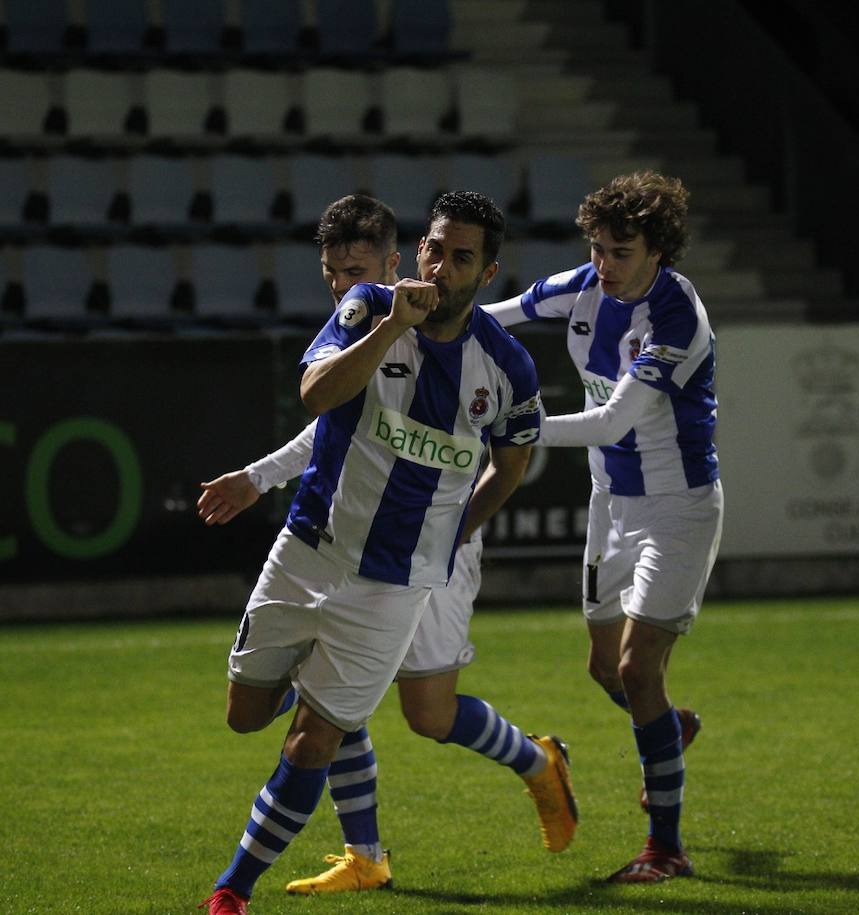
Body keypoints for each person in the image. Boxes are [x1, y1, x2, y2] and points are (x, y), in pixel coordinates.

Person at [198, 193, 577, 897]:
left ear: (486, 272)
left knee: (411, 715)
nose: (441, 267)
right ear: (417, 251)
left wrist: (457, 532)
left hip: (408, 569)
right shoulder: (371, 311)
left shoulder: (503, 366)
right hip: (316, 546)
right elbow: (322, 405)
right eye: (436, 249)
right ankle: (372, 838)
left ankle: (257, 883)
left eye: (461, 257)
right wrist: (390, 327)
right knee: (253, 715)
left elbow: (511, 464)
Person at [484, 171, 722, 883]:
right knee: (602, 668)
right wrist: (419, 318)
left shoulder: (676, 317)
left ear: (658, 251)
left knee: (636, 668)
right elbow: (495, 315)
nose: (605, 264)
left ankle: (665, 848)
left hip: (677, 508)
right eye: (597, 248)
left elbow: (614, 420)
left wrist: (515, 427)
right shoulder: (585, 286)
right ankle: (670, 728)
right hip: (610, 502)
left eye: (622, 252)